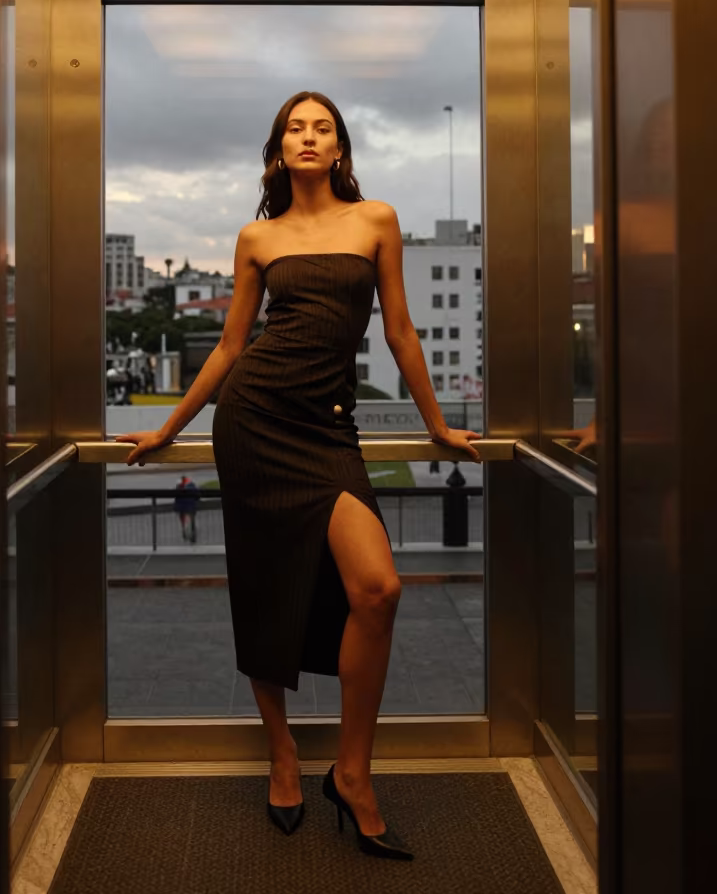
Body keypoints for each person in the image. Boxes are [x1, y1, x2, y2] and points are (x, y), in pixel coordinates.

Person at [116, 92, 481, 861]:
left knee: (378, 588)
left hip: (328, 428)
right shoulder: (259, 235)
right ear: (278, 152)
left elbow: (402, 329)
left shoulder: (375, 220)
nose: (308, 138)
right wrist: (170, 427)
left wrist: (438, 424)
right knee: (264, 586)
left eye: (322, 128)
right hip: (253, 421)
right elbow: (227, 349)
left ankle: (351, 772)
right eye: (295, 129)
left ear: (340, 148)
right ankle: (283, 755)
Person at [174, 474, 199, 543]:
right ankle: (193, 536)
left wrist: (176, 508)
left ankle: (185, 534)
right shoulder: (192, 485)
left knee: (183, 521)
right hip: (191, 507)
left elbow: (177, 498)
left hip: (182, 508)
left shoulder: (179, 487)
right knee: (192, 521)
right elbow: (197, 496)